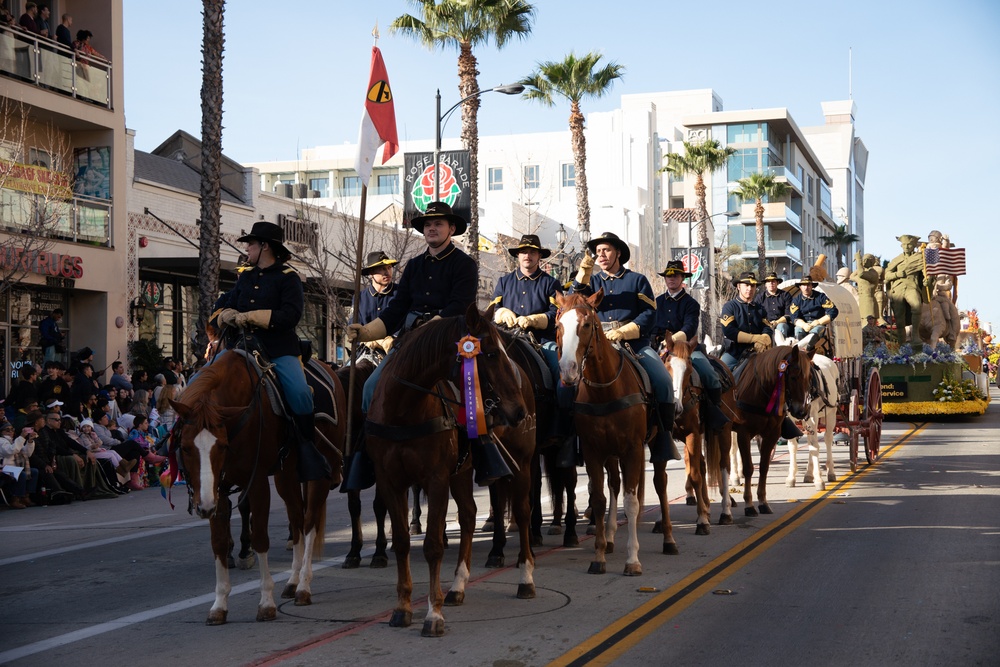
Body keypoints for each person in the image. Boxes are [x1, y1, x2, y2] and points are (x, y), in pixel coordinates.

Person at [347, 201, 509, 486]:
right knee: (371, 387)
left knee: (473, 394)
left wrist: (432, 327)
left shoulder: (464, 264)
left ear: (452, 229)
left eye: (438, 224)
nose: (431, 228)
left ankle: (485, 452)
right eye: (427, 225)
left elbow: (460, 306)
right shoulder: (413, 266)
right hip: (410, 342)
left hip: (450, 342)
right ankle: (365, 453)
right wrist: (366, 332)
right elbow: (396, 309)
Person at [214, 221, 330, 482]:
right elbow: (230, 303)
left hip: (278, 349)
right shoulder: (247, 277)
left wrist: (252, 317)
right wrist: (227, 315)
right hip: (244, 347)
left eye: (251, 244)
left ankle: (306, 451)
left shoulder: (289, 278)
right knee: (208, 376)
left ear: (264, 246)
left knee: (300, 393)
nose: (247, 249)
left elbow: (291, 316)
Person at [570, 231, 677, 462]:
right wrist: (584, 273)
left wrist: (624, 331)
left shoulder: (637, 279)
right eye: (598, 252)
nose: (601, 255)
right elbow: (573, 301)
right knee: (568, 385)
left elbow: (649, 313)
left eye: (606, 250)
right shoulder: (592, 282)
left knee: (663, 381)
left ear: (618, 252)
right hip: (597, 346)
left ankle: (664, 439)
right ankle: (574, 442)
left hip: (633, 344)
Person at [490, 234, 566, 434]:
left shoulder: (551, 283)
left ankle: (563, 429)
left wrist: (535, 319)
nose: (527, 256)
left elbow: (556, 314)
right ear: (518, 255)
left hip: (541, 341)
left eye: (532, 252)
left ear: (539, 256)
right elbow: (493, 306)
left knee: (562, 375)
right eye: (524, 252)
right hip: (508, 338)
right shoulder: (504, 281)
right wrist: (501, 312)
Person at [719, 271, 802, 441]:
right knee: (717, 376)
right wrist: (754, 338)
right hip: (735, 353)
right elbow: (729, 330)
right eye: (746, 285)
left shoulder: (759, 308)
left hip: (758, 354)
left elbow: (766, 327)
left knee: (779, 379)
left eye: (753, 286)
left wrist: (764, 337)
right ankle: (717, 414)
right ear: (738, 287)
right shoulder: (729, 306)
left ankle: (782, 418)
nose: (750, 288)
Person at [651, 260, 729, 430]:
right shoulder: (657, 302)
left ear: (682, 279)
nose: (671, 279)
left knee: (709, 373)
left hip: (687, 346)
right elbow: (652, 325)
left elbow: (690, 326)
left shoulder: (691, 303)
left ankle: (713, 413)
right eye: (668, 276)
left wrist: (672, 338)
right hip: (661, 346)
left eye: (675, 276)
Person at [884, 234, 925, 345]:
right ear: (901, 246)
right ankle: (902, 342)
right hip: (898, 288)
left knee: (916, 307)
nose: (907, 247)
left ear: (914, 245)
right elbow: (886, 275)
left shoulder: (920, 258)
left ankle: (915, 336)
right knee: (899, 316)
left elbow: (926, 274)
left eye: (909, 244)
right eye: (904, 245)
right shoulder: (897, 260)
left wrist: (928, 281)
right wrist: (897, 274)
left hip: (912, 286)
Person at [357, 250, 400, 354]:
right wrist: (373, 340)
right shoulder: (359, 298)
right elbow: (354, 327)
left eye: (389, 267)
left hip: (395, 351)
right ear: (371, 273)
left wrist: (393, 338)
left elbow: (406, 323)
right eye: (382, 269)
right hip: (366, 351)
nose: (387, 272)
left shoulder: (401, 293)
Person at [791, 275, 839, 347]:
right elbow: (794, 316)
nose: (806, 287)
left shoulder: (821, 297)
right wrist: (803, 325)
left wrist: (818, 322)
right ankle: (801, 351)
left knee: (814, 333)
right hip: (803, 324)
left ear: (812, 286)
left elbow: (833, 311)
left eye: (808, 285)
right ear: (800, 287)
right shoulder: (796, 300)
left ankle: (809, 349)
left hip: (818, 325)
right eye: (804, 285)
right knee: (798, 331)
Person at [755, 272, 793, 339]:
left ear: (777, 282)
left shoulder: (785, 295)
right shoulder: (760, 297)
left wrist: (777, 322)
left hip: (783, 323)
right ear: (765, 284)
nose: (771, 283)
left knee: (780, 327)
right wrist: (767, 323)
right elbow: (757, 314)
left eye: (773, 281)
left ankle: (781, 348)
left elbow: (788, 314)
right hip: (765, 324)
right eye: (768, 282)